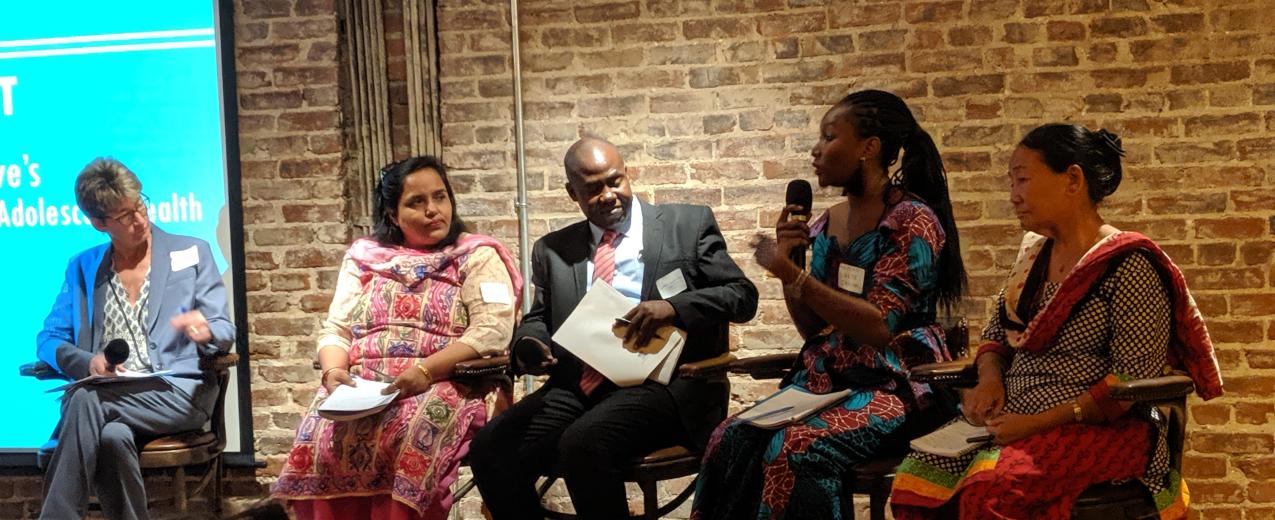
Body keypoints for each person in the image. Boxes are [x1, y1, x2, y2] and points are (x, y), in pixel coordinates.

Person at [889, 124, 1224, 520]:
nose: (1013, 196)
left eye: (1023, 179)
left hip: (1103, 429)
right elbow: (997, 334)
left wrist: (1036, 424)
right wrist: (991, 378)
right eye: (1011, 182)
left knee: (990, 491)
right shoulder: (1033, 260)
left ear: (1073, 180)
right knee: (914, 483)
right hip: (1013, 421)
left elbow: (1130, 381)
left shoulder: (1129, 264)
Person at [690, 89, 968, 520]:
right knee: (731, 436)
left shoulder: (912, 221)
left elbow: (880, 327)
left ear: (868, 148)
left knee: (798, 448)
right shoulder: (825, 223)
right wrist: (792, 264)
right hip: (826, 379)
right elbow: (812, 328)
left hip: (895, 382)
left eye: (829, 136)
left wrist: (793, 275)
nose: (816, 150)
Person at [469, 136, 758, 519]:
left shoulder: (686, 225)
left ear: (627, 174)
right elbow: (539, 317)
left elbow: (741, 296)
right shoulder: (552, 249)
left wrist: (672, 307)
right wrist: (529, 345)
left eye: (615, 181)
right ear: (572, 193)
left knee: (584, 443)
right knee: (489, 446)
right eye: (592, 189)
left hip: (664, 384)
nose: (608, 195)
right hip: (581, 383)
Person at [271, 156, 523, 520]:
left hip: (447, 381)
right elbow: (337, 328)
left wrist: (424, 371)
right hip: (364, 384)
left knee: (406, 434)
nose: (433, 211)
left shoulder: (477, 255)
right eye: (416, 203)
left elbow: (491, 331)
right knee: (319, 438)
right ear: (392, 213)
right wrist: (332, 374)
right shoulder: (365, 258)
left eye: (440, 197)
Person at [37, 157, 235, 520]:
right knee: (111, 436)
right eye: (125, 216)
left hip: (177, 393)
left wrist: (207, 330)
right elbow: (49, 338)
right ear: (99, 223)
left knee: (82, 398)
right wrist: (86, 362)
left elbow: (225, 329)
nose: (140, 219)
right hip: (112, 397)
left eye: (140, 204)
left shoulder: (191, 252)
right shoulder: (82, 267)